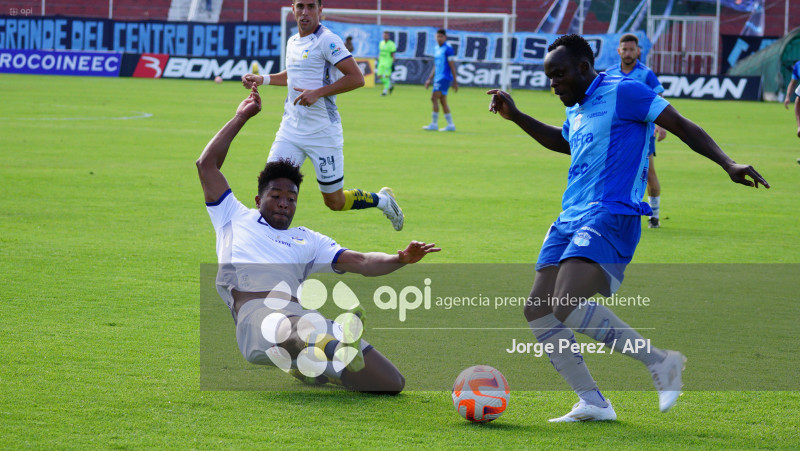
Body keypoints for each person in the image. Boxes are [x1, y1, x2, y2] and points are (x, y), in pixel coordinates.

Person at [487, 34, 769, 422]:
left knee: (565, 303)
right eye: (550, 77)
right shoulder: (578, 107)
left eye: (560, 75)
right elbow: (565, 142)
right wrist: (517, 116)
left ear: (584, 67)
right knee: (538, 309)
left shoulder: (626, 91)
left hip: (611, 213)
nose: (554, 84)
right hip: (570, 216)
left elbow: (681, 125)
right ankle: (593, 402)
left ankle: (661, 362)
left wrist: (728, 163)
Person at [196, 86, 441, 393]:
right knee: (293, 328)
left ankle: (312, 365)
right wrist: (241, 116)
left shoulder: (308, 240)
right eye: (276, 196)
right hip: (257, 317)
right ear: (258, 199)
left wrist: (400, 259)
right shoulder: (233, 215)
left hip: (302, 318)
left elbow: (362, 262)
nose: (284, 203)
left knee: (390, 383)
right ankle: (328, 348)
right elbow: (206, 165)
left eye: (291, 198)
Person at [241, 0, 404, 231]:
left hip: (322, 133)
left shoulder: (327, 40)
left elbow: (356, 78)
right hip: (290, 131)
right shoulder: (292, 41)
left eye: (311, 6)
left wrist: (318, 93)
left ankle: (383, 201)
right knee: (271, 188)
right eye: (300, 6)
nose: (305, 12)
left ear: (320, 10)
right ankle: (269, 246)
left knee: (335, 202)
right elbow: (294, 75)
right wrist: (263, 79)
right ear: (293, 9)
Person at [605, 33, 666, 228]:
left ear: (638, 51)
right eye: (625, 49)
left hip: (642, 134)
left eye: (632, 50)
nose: (628, 53)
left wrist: (661, 124)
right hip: (615, 134)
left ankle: (654, 216)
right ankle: (614, 212)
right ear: (619, 51)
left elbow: (659, 99)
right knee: (614, 172)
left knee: (648, 173)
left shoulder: (646, 74)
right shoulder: (610, 73)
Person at [423, 29, 458, 132]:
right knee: (443, 101)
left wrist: (455, 81)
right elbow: (436, 65)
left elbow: (452, 65)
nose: (439, 38)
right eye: (437, 36)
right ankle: (451, 125)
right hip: (438, 77)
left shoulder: (448, 49)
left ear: (445, 37)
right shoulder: (436, 48)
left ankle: (434, 124)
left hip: (444, 77)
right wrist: (429, 79)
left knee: (433, 97)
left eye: (441, 37)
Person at [377, 31, 397, 96]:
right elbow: (380, 52)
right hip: (381, 62)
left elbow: (393, 53)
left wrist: (393, 60)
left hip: (388, 62)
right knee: (379, 76)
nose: (385, 36)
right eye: (384, 35)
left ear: (388, 36)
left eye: (386, 35)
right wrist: (378, 57)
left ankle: (384, 92)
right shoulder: (381, 43)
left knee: (386, 76)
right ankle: (390, 86)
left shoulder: (391, 44)